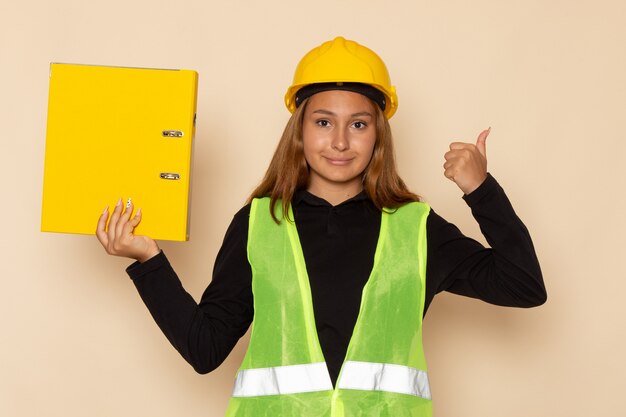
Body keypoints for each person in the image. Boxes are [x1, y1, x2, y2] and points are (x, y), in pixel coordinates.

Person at [96, 37, 546, 417]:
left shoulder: (416, 227)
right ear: (300, 129)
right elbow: (204, 349)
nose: (339, 141)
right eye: (323, 121)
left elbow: (524, 286)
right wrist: (147, 260)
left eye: (359, 124)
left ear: (378, 136)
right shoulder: (258, 223)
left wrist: (480, 189)